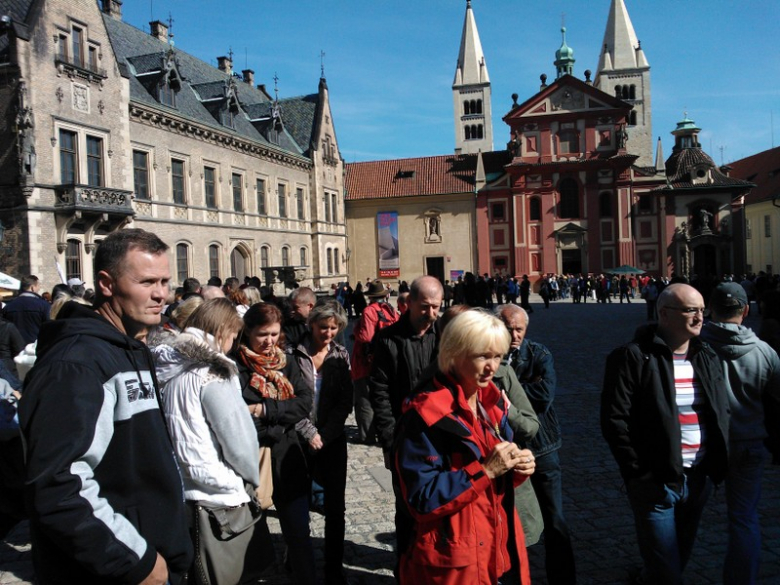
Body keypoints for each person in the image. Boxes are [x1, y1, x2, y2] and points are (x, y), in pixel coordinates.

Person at [18, 228, 193, 584]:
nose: (161, 294)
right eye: (147, 282)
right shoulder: (77, 363)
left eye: (165, 281)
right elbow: (59, 485)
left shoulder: (128, 348)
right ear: (107, 284)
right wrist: (137, 562)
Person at [393, 309, 534, 585]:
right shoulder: (425, 416)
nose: (492, 367)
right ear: (455, 354)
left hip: (495, 552)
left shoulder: (490, 403)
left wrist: (517, 466)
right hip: (454, 563)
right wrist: (485, 471)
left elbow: (494, 481)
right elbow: (421, 499)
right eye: (482, 356)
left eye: (497, 356)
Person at [601, 283, 730, 585]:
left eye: (702, 310)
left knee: (677, 559)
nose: (700, 317)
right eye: (690, 311)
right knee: (667, 571)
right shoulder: (632, 357)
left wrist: (716, 463)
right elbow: (614, 420)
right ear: (665, 314)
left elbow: (719, 411)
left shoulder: (706, 356)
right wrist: (638, 472)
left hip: (698, 479)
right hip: (656, 481)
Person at [152, 298, 272, 584]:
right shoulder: (213, 371)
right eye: (233, 336)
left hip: (184, 485)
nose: (232, 343)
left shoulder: (170, 365)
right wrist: (251, 476)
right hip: (218, 490)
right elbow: (237, 437)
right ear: (222, 331)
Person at [700, 282, 780, 585]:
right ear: (746, 311)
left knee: (683, 517)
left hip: (704, 446)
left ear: (710, 309)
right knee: (744, 519)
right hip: (749, 443)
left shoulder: (696, 346)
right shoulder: (765, 352)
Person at [233, 303, 316, 585]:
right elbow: (238, 416)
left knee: (298, 531)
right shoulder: (236, 366)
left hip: (288, 457)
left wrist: (266, 411)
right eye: (262, 335)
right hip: (253, 456)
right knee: (251, 532)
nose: (269, 341)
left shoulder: (286, 361)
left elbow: (304, 403)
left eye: (273, 334)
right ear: (248, 332)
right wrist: (278, 415)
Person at [497, 304, 576, 584]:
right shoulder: (492, 356)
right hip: (509, 451)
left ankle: (563, 579)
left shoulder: (539, 354)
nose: (515, 335)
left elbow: (544, 396)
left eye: (520, 329)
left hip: (543, 448)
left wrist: (507, 391)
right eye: (510, 329)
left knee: (555, 519)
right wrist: (521, 387)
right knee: (512, 521)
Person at [289, 301, 354, 584]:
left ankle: (333, 567)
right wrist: (308, 432)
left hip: (332, 440)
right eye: (323, 327)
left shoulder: (340, 354)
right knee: (297, 505)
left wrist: (325, 434)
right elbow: (287, 398)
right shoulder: (292, 353)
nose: (328, 333)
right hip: (298, 440)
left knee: (335, 508)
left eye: (334, 327)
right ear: (311, 324)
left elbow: (345, 399)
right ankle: (298, 561)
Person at [351, 279, 398, 444]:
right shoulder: (391, 310)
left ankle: (367, 435)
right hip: (386, 362)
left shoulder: (369, 311)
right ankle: (383, 429)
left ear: (370, 296)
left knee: (364, 400)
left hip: (365, 362)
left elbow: (365, 337)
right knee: (382, 397)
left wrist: (355, 331)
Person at [2, 275, 50, 344]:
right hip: (36, 347)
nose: (39, 289)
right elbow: (49, 328)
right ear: (32, 288)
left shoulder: (9, 306)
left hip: (15, 348)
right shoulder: (44, 305)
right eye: (38, 286)